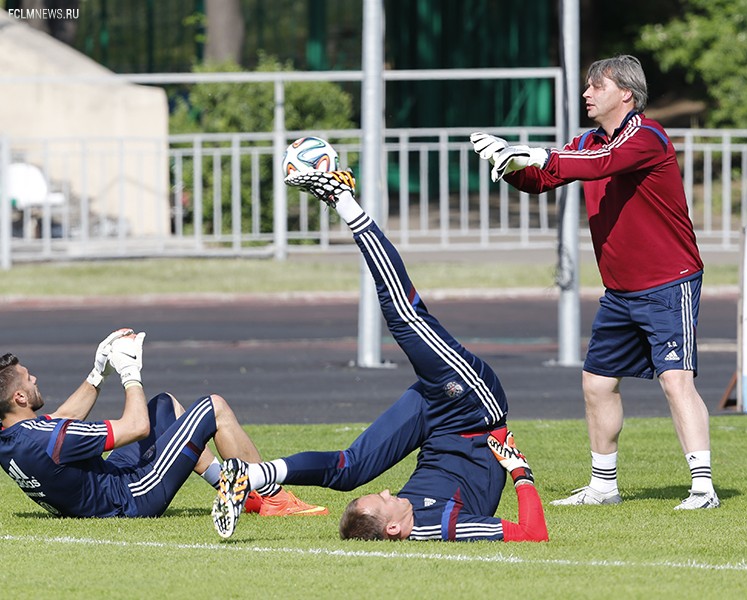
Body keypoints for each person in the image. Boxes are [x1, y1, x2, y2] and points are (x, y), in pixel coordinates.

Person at [211, 169, 549, 542]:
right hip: (474, 406)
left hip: (434, 420)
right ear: (393, 528)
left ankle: (252, 475)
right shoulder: (439, 525)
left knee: (349, 470)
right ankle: (342, 199)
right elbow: (533, 534)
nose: (391, 491)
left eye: (384, 494)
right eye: (385, 500)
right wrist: (520, 472)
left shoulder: (397, 516)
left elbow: (369, 496)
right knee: (404, 316)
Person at [471, 54, 718, 510]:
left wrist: (542, 153)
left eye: (596, 86)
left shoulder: (648, 135)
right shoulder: (587, 140)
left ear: (626, 93)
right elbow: (546, 177)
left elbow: (601, 163)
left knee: (675, 380)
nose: (587, 94)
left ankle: (703, 487)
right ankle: (603, 487)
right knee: (597, 383)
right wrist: (508, 164)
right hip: (620, 289)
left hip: (669, 281)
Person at [0, 329, 326, 519]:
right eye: (29, 380)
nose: (35, 379)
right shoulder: (51, 440)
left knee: (164, 407)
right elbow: (137, 427)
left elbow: (60, 422)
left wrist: (98, 373)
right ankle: (271, 497)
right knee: (214, 407)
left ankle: (236, 491)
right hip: (131, 496)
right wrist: (129, 372)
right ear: (19, 398)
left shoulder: (12, 435)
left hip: (103, 487)